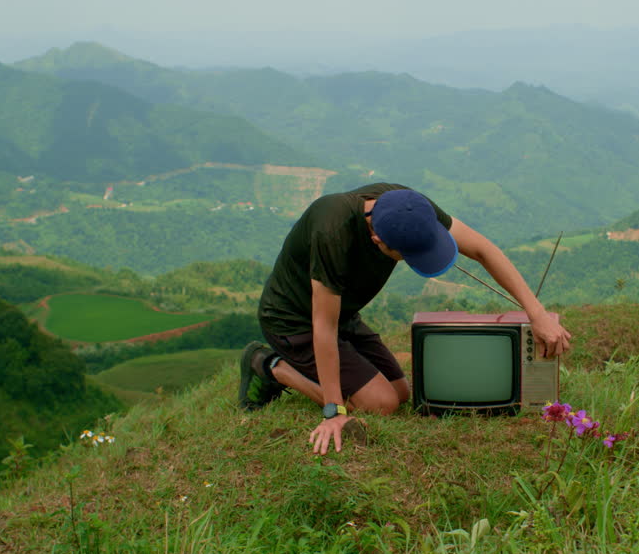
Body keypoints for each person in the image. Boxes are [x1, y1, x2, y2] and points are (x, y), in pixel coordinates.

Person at [239, 182, 572, 455]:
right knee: (381, 404)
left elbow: (484, 249)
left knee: (400, 393)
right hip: (294, 322)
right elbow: (322, 328)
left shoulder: (409, 207)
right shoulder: (332, 229)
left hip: (346, 316)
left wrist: (537, 313)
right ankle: (271, 366)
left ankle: (292, 370)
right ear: (377, 241)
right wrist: (333, 411)